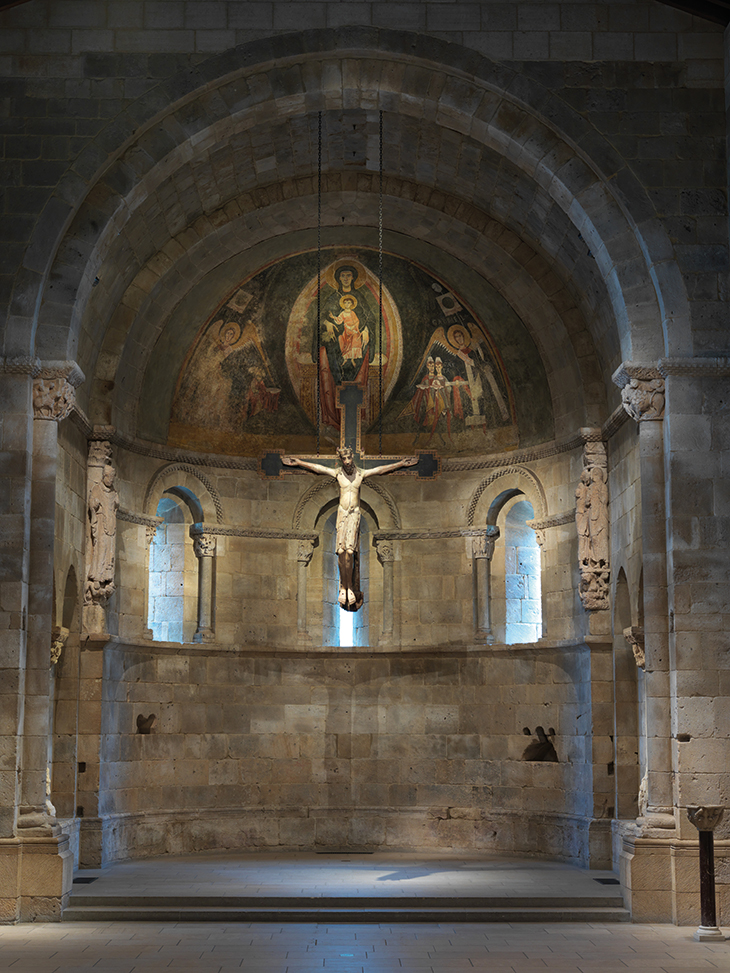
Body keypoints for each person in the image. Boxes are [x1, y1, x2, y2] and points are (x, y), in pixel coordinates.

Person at [282, 447, 417, 610]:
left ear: (352, 457)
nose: (346, 461)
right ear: (341, 460)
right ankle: (344, 588)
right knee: (341, 551)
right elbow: (319, 469)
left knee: (350, 552)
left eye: (348, 458)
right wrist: (299, 462)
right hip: (342, 515)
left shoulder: (361, 474)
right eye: (343, 459)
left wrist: (401, 463)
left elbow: (380, 470)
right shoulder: (338, 474)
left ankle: (350, 587)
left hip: (354, 515)